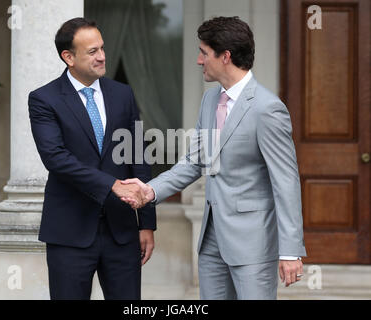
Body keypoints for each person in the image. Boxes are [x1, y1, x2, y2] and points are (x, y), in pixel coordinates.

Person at [121, 16, 307, 300]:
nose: (198, 60)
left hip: (253, 245)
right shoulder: (210, 100)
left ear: (225, 56)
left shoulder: (268, 109)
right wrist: (150, 190)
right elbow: (195, 162)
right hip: (211, 242)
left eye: (204, 53)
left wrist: (291, 250)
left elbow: (286, 181)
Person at [28, 17, 156, 300]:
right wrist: (112, 184)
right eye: (92, 51)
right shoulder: (44, 99)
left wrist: (146, 222)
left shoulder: (123, 94)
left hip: (122, 232)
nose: (102, 57)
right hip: (69, 233)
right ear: (68, 57)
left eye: (102, 48)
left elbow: (137, 155)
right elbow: (56, 158)